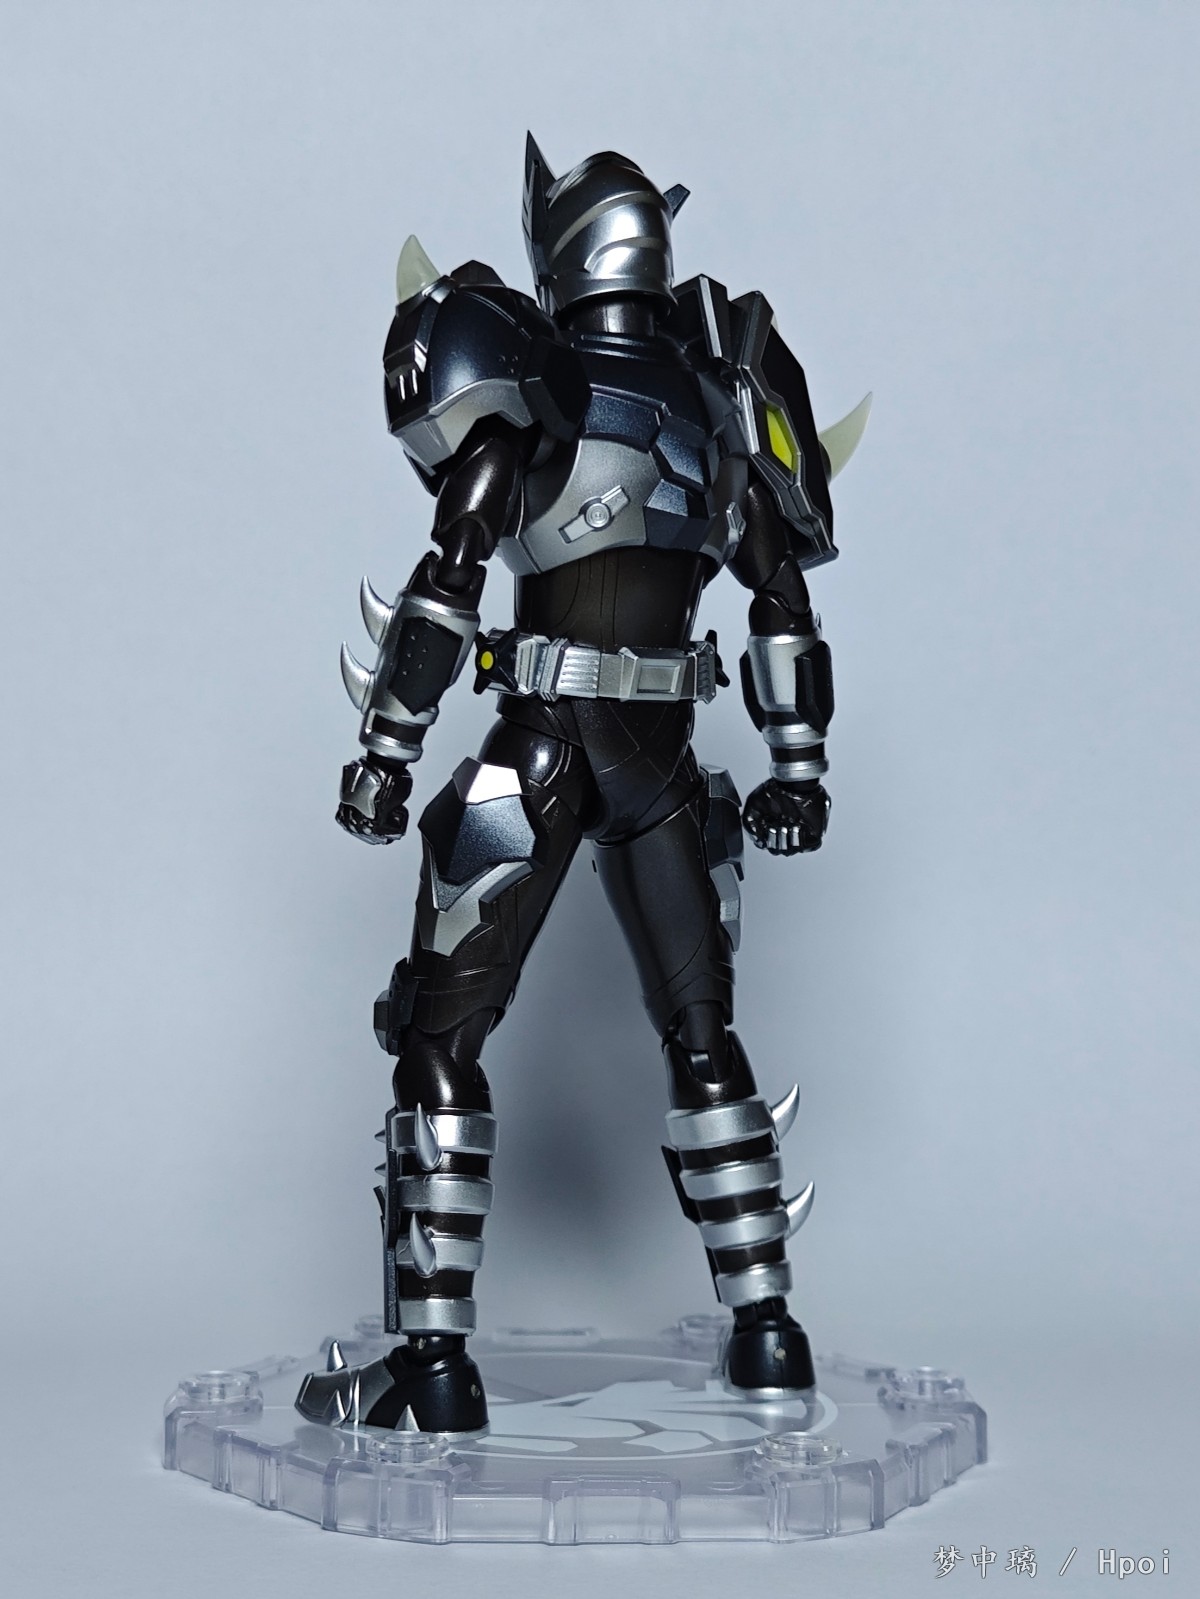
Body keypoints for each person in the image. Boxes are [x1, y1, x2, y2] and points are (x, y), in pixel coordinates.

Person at [295, 137, 867, 1435]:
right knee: (703, 1040)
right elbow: (782, 602)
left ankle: (432, 1369)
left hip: (543, 749)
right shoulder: (724, 413)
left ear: (562, 252)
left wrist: (386, 755)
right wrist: (798, 767)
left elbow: (448, 583)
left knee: (440, 1038)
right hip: (664, 768)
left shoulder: (536, 385)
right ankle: (768, 1332)